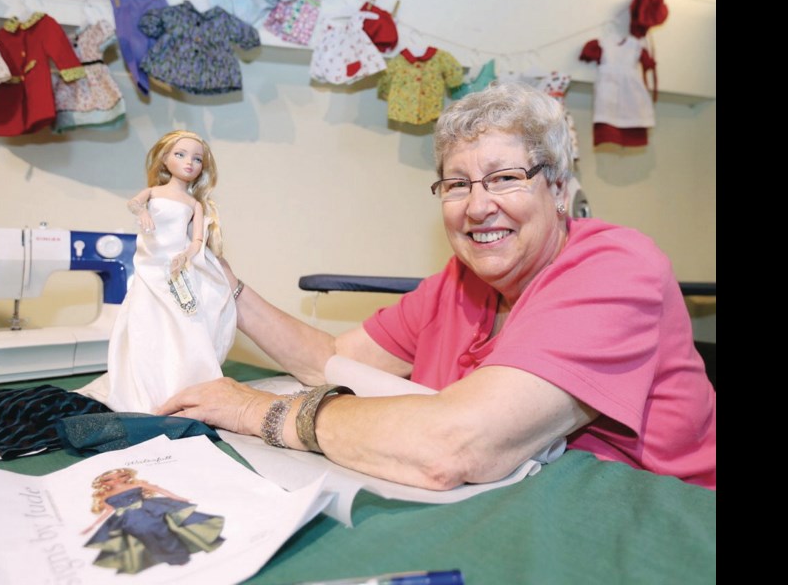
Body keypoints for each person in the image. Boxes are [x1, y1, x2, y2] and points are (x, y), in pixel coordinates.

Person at [156, 81, 716, 490]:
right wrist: (223, 283)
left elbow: (455, 445)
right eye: (457, 183)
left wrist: (258, 411)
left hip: (653, 517)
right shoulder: (460, 281)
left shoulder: (615, 268)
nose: (477, 205)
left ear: (560, 189)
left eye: (504, 178)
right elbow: (330, 358)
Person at [77, 130, 237, 414]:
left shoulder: (193, 204)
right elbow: (133, 203)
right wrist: (142, 212)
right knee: (145, 324)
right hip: (150, 266)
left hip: (175, 269)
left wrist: (186, 255)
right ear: (164, 160)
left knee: (182, 326)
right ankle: (143, 383)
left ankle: (182, 383)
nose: (189, 163)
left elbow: (197, 239)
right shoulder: (154, 192)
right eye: (180, 154)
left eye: (197, 159)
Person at [82, 467, 225, 574]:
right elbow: (108, 510)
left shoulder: (135, 485)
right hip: (128, 520)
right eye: (110, 479)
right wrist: (93, 525)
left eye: (120, 476)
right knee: (145, 539)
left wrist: (179, 498)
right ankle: (168, 559)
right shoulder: (106, 495)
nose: (116, 480)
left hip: (148, 512)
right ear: (103, 483)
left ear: (126, 476)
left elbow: (162, 491)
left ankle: (180, 556)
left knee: (163, 532)